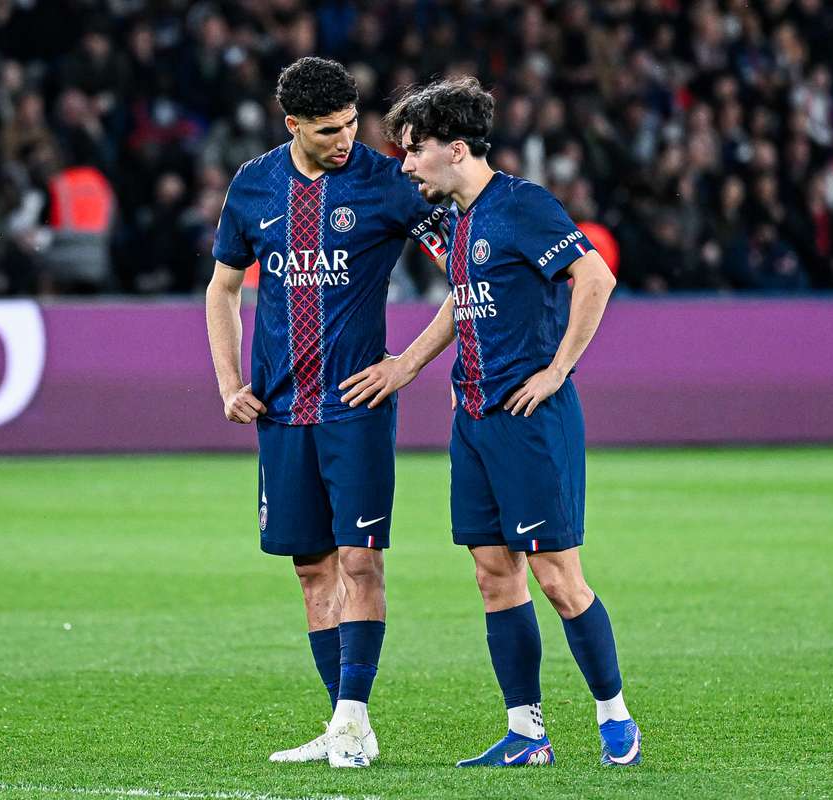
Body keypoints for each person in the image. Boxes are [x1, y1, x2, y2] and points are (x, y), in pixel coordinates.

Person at [341, 77, 641, 768]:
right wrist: (409, 367)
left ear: (455, 148)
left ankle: (614, 717)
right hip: (473, 417)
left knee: (560, 579)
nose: (406, 165)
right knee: (491, 574)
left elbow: (595, 278)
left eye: (414, 151)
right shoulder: (465, 219)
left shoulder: (523, 206)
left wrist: (559, 370)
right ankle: (527, 732)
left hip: (529, 419)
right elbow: (464, 300)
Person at [204, 57, 444, 769]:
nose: (346, 139)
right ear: (293, 126)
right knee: (312, 571)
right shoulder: (253, 187)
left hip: (355, 409)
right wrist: (228, 382)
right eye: (329, 130)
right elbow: (222, 291)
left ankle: (351, 716)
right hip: (281, 411)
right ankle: (345, 727)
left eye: (350, 124)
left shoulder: (386, 183)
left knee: (359, 560)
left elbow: (464, 271)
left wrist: (405, 364)